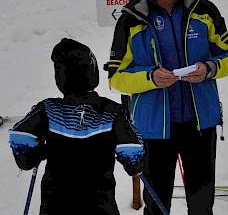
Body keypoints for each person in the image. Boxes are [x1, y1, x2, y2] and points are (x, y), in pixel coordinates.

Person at [106, 0, 228, 215]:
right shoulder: (131, 21)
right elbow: (116, 77)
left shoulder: (205, 11)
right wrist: (150, 77)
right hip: (155, 130)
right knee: (156, 205)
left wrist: (210, 68)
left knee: (202, 205)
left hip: (200, 124)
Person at [9, 38, 145, 215]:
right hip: (100, 207)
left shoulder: (48, 109)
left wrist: (41, 151)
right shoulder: (112, 111)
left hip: (55, 206)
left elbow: (22, 149)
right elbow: (134, 159)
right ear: (92, 71)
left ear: (60, 77)